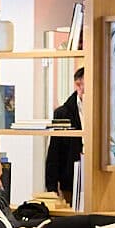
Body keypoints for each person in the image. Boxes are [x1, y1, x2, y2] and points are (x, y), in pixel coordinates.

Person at [43, 67, 85, 195]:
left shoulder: (105, 110)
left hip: (98, 178)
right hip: (71, 181)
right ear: (79, 85)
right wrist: (52, 188)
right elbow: (54, 152)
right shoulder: (63, 113)